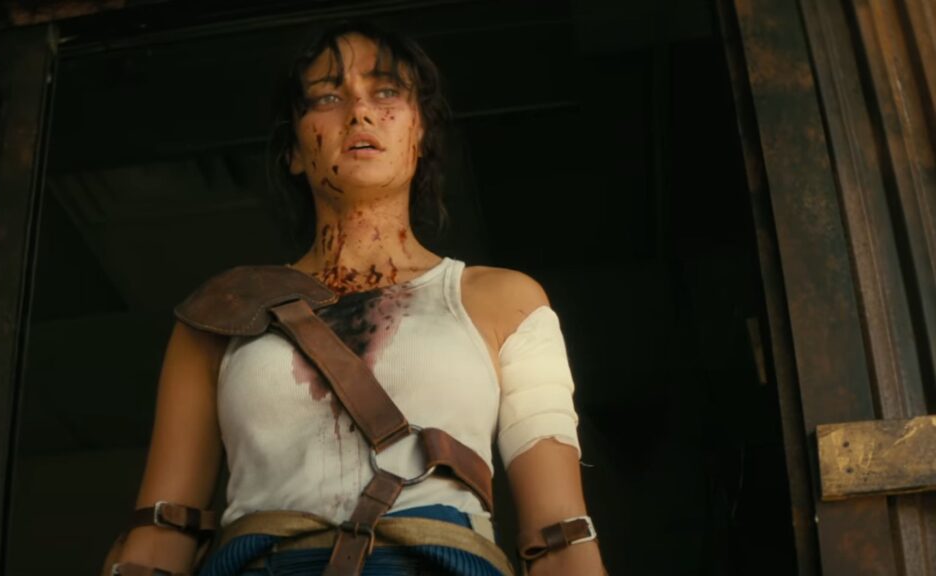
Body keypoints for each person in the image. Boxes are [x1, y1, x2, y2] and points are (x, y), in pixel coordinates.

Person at [112, 20, 607, 576]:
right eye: (327, 97)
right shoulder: (221, 310)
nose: (360, 112)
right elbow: (163, 528)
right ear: (294, 149)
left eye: (386, 92)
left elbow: (559, 532)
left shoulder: (503, 300)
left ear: (420, 133)